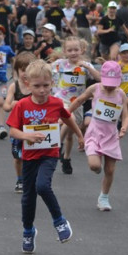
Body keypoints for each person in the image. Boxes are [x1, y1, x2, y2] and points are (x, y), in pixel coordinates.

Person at [6, 60, 85, 254]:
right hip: (30, 155)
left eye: (46, 86)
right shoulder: (22, 105)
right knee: (28, 197)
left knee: (42, 185)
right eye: (37, 86)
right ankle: (28, 230)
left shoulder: (56, 103)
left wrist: (80, 135)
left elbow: (67, 117)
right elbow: (13, 131)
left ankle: (59, 221)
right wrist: (26, 136)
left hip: (49, 154)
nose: (42, 90)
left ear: (52, 83)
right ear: (27, 84)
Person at [69, 61, 128, 211]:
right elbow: (79, 100)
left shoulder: (120, 93)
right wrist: (65, 113)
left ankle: (104, 197)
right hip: (95, 132)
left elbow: (126, 116)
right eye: (107, 83)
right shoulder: (95, 89)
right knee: (95, 165)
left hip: (111, 135)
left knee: (110, 170)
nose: (110, 86)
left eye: (113, 83)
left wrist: (124, 127)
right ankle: (97, 168)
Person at [50, 36, 99, 175]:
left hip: (77, 102)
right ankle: (57, 144)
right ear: (64, 51)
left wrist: (88, 67)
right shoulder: (60, 63)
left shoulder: (85, 66)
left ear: (81, 50)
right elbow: (46, 69)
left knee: (70, 135)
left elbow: (99, 79)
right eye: (69, 50)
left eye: (76, 49)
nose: (73, 53)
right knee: (67, 116)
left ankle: (66, 158)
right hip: (61, 99)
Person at [3, 52, 37, 193]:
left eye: (28, 70)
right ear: (16, 71)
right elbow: (5, 106)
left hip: (34, 126)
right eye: (22, 70)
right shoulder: (14, 86)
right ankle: (20, 179)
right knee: (18, 157)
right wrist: (13, 104)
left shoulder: (36, 86)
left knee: (34, 155)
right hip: (17, 128)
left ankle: (32, 179)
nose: (25, 73)